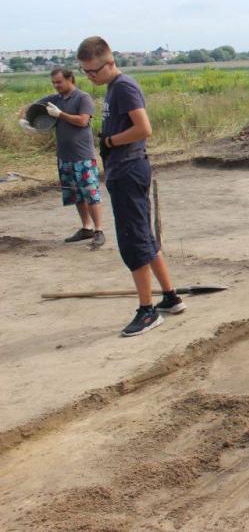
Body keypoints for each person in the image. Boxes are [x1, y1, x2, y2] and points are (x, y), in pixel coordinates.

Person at [76, 36, 185, 337]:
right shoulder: (113, 88)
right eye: (86, 72)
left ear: (109, 62)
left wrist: (110, 141)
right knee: (144, 237)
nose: (90, 77)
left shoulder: (124, 87)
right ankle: (171, 297)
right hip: (124, 169)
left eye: (93, 71)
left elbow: (143, 129)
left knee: (133, 240)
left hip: (128, 170)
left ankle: (147, 311)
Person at [18, 69, 105, 247]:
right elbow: (30, 108)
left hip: (83, 156)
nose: (56, 86)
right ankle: (86, 228)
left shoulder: (83, 98)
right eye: (54, 83)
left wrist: (60, 115)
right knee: (76, 195)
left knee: (90, 194)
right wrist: (25, 122)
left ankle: (99, 230)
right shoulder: (55, 99)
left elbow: (82, 121)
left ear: (70, 79)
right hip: (64, 155)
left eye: (59, 82)